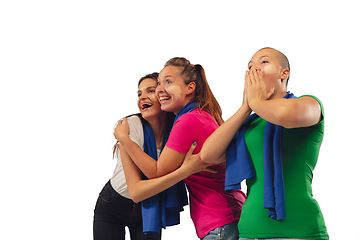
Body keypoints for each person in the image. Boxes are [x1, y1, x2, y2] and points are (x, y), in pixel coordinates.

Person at [200, 47, 329, 239]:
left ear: (284, 73)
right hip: (250, 229)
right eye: (250, 66)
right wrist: (245, 108)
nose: (254, 69)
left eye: (264, 62)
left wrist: (255, 103)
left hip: (300, 230)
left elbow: (283, 115)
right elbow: (208, 155)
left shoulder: (308, 104)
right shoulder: (249, 124)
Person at [114, 57, 246, 240]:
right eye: (159, 83)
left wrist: (125, 140)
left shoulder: (188, 120)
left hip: (220, 220)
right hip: (228, 215)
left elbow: (156, 171)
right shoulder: (202, 114)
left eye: (168, 82)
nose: (160, 89)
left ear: (189, 88)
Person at [93, 72, 181, 240]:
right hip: (113, 204)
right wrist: (125, 139)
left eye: (150, 91)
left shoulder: (177, 130)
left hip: (148, 207)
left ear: (163, 95)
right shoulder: (130, 125)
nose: (142, 97)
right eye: (139, 93)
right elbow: (147, 178)